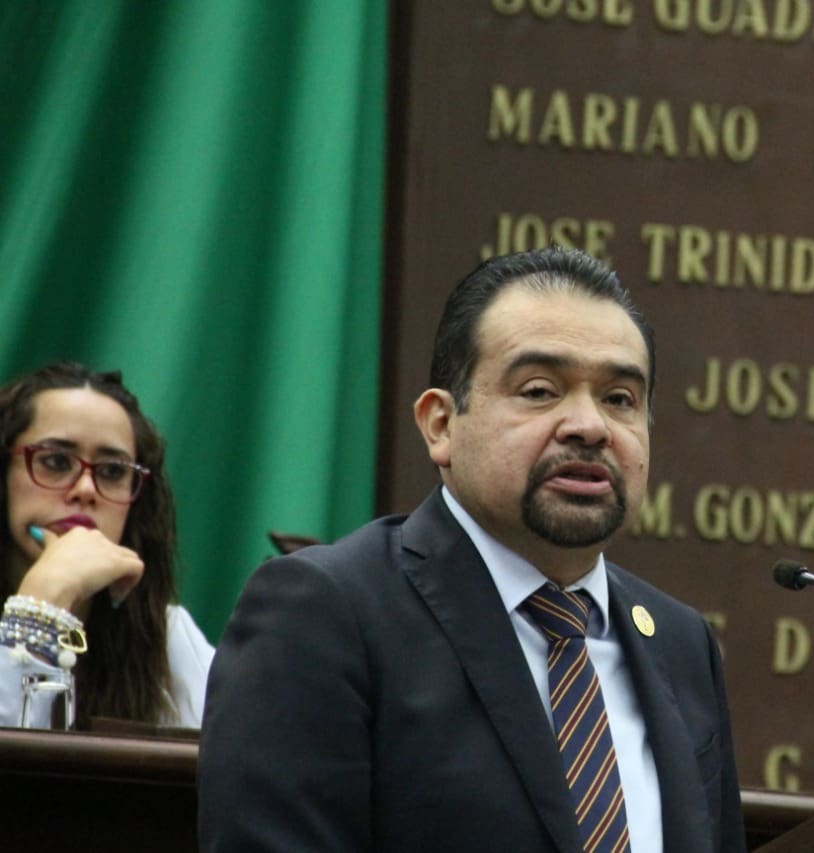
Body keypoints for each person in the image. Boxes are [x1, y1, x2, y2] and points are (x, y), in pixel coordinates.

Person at [199, 247, 746, 851]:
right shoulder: (327, 612)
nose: (590, 426)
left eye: (619, 399)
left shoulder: (681, 643)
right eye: (540, 390)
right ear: (440, 425)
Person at [0, 361, 213, 729]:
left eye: (113, 471)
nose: (85, 489)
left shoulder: (167, 634)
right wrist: (41, 604)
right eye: (55, 462)